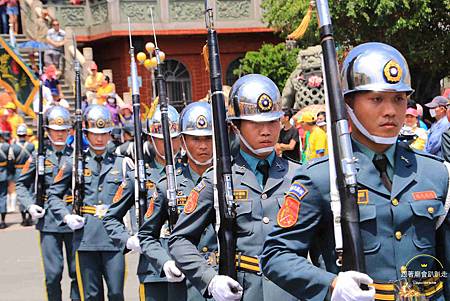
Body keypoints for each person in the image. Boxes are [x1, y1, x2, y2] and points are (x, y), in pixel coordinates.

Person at [260, 42, 450, 301]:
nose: (391, 111)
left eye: (398, 98)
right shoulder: (321, 177)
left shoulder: (434, 172)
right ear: (348, 103)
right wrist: (332, 285)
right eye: (376, 99)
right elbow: (275, 254)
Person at [169, 74, 300, 301]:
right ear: (235, 126)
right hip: (242, 292)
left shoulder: (298, 176)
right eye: (256, 123)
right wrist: (209, 279)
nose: (266, 131)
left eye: (272, 121)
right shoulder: (217, 179)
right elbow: (180, 240)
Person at [46, 105, 133, 300]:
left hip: (114, 239)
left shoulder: (122, 163)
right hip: (85, 240)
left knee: (117, 293)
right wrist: (66, 216)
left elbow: (135, 199)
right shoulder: (74, 163)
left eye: (104, 133)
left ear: (110, 134)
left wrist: (134, 231)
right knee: (91, 295)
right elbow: (53, 195)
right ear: (86, 133)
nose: (100, 138)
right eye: (95, 134)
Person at [138, 102, 217, 300]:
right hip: (185, 282)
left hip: (224, 277)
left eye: (209, 138)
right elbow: (147, 236)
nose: (203, 146)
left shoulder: (230, 180)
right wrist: (165, 262)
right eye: (195, 139)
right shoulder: (168, 186)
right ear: (182, 141)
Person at [103, 104, 182, 301]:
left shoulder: (191, 173)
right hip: (153, 270)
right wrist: (128, 240)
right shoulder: (138, 176)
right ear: (150, 139)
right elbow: (111, 218)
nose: (169, 145)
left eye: (174, 138)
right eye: (162, 140)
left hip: (189, 268)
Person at [16, 106, 80, 301]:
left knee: (76, 272)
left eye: (63, 130)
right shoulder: (39, 157)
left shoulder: (77, 156)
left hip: (73, 220)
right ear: (48, 131)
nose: (59, 134)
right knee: (53, 275)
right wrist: (29, 205)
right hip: (49, 221)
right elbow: (21, 184)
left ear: (69, 131)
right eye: (55, 130)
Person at [9, 123, 35, 226]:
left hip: (18, 171)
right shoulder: (31, 146)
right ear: (25, 134)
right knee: (30, 193)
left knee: (21, 194)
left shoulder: (13, 147)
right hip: (29, 170)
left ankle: (23, 218)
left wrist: (11, 172)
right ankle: (29, 217)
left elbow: (11, 161)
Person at [0, 128, 10, 229]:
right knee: (3, 197)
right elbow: (10, 159)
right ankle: (2, 221)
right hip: (3, 172)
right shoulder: (7, 146)